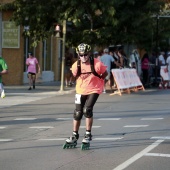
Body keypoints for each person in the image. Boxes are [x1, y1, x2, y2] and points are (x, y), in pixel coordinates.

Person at [63, 43, 108, 150]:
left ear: (89, 53)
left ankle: (88, 134)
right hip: (80, 90)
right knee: (77, 113)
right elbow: (74, 76)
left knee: (87, 110)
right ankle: (75, 135)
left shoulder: (97, 64)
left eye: (85, 55)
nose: (83, 57)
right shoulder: (76, 65)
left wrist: (100, 81)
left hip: (94, 89)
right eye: (81, 55)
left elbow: (105, 73)